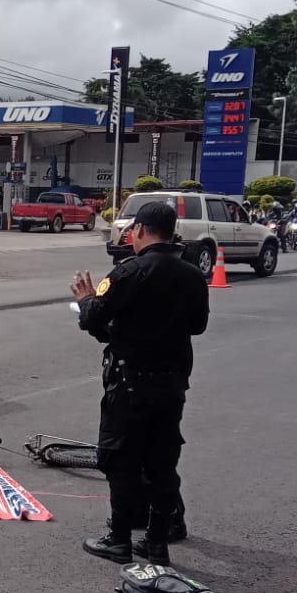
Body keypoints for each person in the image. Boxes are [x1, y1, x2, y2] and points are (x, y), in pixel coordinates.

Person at [72, 201, 210, 565]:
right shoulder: (193, 275)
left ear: (141, 230)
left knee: (122, 459)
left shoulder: (127, 273)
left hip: (130, 383)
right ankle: (157, 542)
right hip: (173, 382)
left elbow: (93, 317)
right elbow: (197, 326)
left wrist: (86, 299)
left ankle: (118, 539)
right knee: (163, 462)